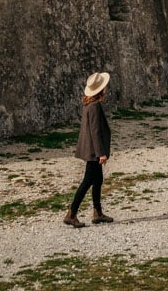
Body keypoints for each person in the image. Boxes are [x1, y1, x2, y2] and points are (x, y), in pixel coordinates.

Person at [64, 71, 113, 227]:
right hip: (93, 151)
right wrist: (101, 154)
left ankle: (98, 212)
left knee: (98, 180)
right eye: (104, 87)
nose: (106, 88)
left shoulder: (89, 105)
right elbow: (95, 131)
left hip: (91, 150)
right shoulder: (95, 107)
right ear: (100, 90)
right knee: (87, 182)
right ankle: (71, 214)